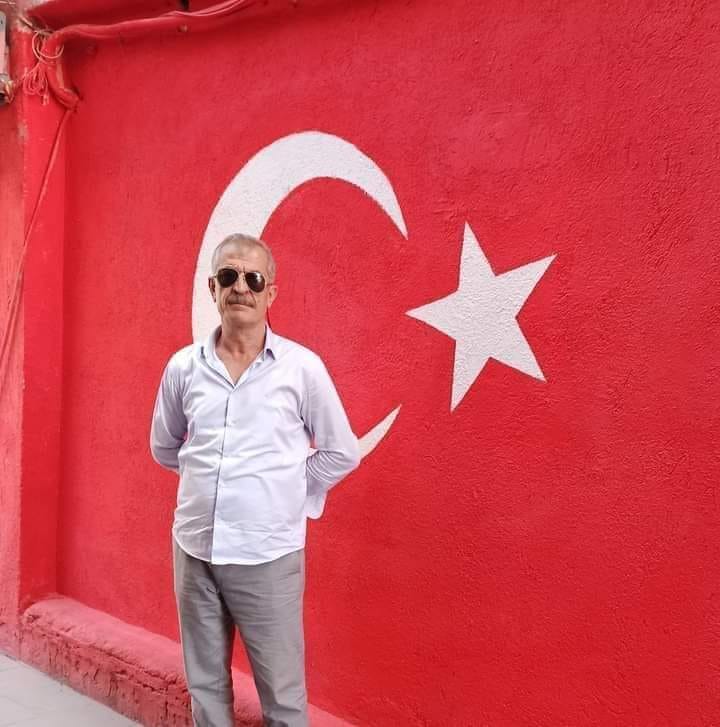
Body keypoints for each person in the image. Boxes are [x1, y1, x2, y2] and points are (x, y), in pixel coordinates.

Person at [150, 233, 360, 727]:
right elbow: (165, 446)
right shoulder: (183, 368)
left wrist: (285, 489)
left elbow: (341, 452)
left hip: (268, 556)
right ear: (213, 288)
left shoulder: (301, 370)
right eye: (229, 276)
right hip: (195, 550)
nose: (240, 287)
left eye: (254, 278)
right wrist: (214, 484)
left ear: (271, 293)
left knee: (282, 699)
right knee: (205, 689)